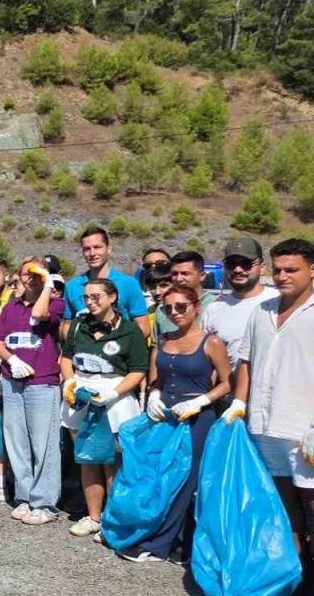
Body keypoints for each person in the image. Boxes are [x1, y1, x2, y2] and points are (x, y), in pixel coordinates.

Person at [120, 284, 232, 563]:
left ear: (196, 307)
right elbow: (155, 377)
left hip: (195, 418)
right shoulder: (164, 341)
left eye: (181, 306)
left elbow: (228, 382)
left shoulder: (211, 342)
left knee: (184, 480)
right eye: (168, 308)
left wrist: (202, 401)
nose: (174, 312)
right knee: (159, 476)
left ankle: (161, 545)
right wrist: (154, 394)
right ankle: (158, 536)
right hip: (165, 416)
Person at [234, 238, 314, 577]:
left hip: (305, 431)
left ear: (312, 270)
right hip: (265, 427)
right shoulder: (262, 311)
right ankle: (293, 575)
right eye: (278, 269)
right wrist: (239, 402)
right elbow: (246, 361)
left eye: (291, 269)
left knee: (312, 506)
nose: (283, 276)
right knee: (283, 509)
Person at [60, 279, 149, 540]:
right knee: (88, 460)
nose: (90, 301)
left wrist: (114, 392)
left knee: (112, 461)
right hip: (81, 398)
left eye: (96, 296)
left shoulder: (130, 331)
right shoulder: (77, 326)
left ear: (112, 298)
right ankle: (94, 517)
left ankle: (114, 520)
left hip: (115, 400)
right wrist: (70, 381)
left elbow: (138, 370)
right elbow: (66, 358)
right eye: (86, 297)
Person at [0, 259, 63, 522]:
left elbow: (39, 316)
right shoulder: (10, 308)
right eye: (25, 273)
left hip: (42, 382)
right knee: (16, 441)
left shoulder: (56, 303)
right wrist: (12, 360)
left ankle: (45, 503)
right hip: (12, 380)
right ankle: (25, 496)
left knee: (43, 444)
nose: (30, 277)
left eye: (35, 273)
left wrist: (46, 285)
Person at [201, 238, 278, 368]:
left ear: (262, 267)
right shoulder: (213, 309)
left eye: (246, 263)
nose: (238, 269)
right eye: (231, 264)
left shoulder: (279, 301)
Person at [63, 227, 150, 339]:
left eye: (97, 247)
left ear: (108, 249)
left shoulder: (129, 283)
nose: (92, 253)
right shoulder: (72, 286)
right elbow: (67, 325)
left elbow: (143, 326)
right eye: (87, 249)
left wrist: (120, 347)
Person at [152, 251, 219, 335]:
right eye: (174, 274)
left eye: (185, 274)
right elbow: (156, 345)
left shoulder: (217, 305)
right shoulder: (163, 309)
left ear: (202, 276)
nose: (179, 279)